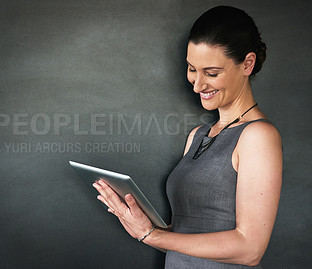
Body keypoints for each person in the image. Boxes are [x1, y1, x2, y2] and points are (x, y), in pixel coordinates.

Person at [93, 5, 282, 269]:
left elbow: (249, 249)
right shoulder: (197, 136)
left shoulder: (258, 136)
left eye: (212, 73)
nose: (197, 84)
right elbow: (187, 238)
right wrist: (141, 227)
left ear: (247, 64)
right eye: (192, 69)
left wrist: (152, 234)